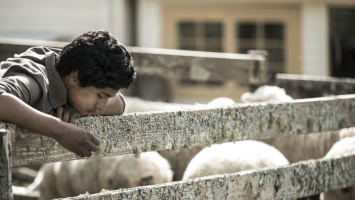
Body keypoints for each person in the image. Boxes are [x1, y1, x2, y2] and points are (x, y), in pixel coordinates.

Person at [0, 30, 136, 157]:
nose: (101, 106)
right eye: (100, 96)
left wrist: (78, 110)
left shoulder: (69, 68)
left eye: (107, 97)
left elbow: (119, 103)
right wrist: (61, 130)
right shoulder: (35, 81)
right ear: (75, 78)